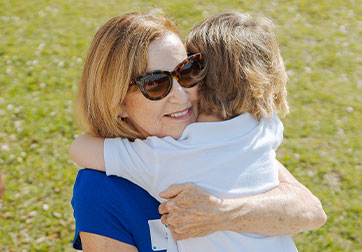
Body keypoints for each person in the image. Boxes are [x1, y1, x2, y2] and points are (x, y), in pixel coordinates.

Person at [70, 12, 326, 251]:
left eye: (188, 71)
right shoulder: (101, 188)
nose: (181, 95)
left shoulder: (212, 138)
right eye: (156, 83)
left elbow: (311, 211)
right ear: (117, 103)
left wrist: (222, 213)